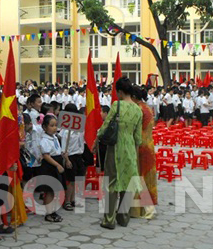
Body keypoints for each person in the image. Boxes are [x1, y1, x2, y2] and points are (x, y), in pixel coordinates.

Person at [97, 77, 142, 229]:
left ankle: (109, 220)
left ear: (120, 92)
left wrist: (96, 139)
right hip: (130, 149)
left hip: (115, 148)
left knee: (111, 184)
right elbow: (138, 137)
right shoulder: (138, 109)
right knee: (127, 183)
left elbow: (104, 128)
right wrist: (135, 155)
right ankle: (123, 217)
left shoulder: (116, 106)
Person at [130, 86, 157, 219]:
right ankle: (145, 208)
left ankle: (147, 209)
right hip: (149, 145)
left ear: (133, 97)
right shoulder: (147, 107)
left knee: (139, 178)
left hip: (139, 147)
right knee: (146, 178)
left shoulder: (137, 109)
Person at [38, 115, 65, 222]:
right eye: (51, 125)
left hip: (56, 163)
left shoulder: (54, 137)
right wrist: (57, 165)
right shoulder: (44, 140)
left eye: (55, 125)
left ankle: (51, 210)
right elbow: (46, 156)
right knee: (50, 191)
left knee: (55, 191)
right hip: (50, 166)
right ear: (44, 127)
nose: (54, 128)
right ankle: (48, 214)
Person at [60, 104, 86, 211]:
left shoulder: (80, 130)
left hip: (79, 156)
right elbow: (63, 149)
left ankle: (74, 199)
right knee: (70, 181)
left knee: (78, 179)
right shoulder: (65, 132)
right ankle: (67, 201)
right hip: (70, 157)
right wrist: (67, 160)